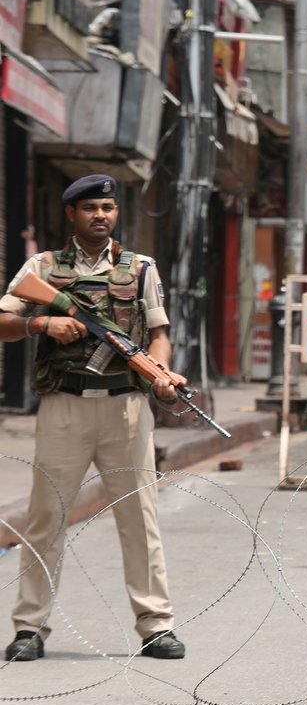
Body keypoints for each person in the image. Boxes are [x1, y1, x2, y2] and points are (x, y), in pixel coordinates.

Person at [0, 174, 188, 663]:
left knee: (139, 519)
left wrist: (160, 371)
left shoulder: (141, 268)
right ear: (71, 214)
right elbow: (3, 321)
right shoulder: (42, 267)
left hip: (126, 406)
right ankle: (29, 627)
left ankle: (156, 625)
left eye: (107, 207)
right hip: (64, 405)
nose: (99, 215)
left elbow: (159, 332)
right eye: (89, 208)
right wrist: (40, 322)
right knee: (46, 518)